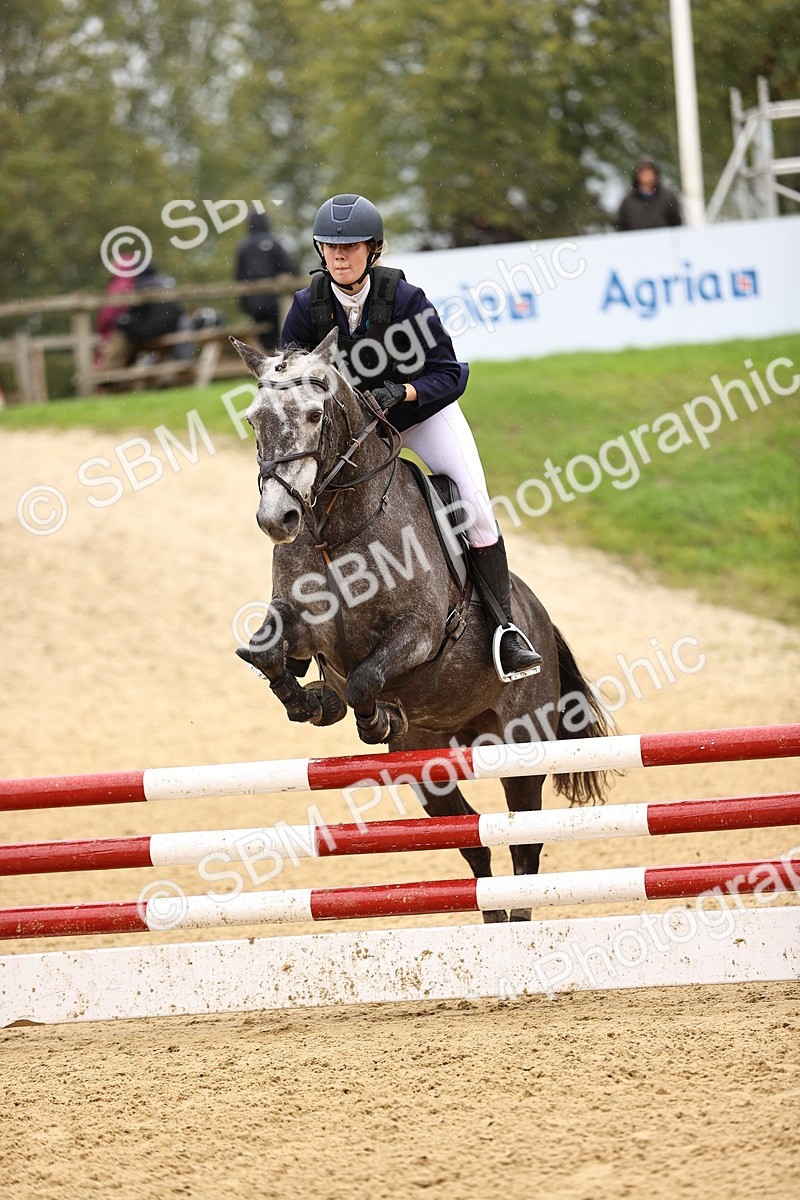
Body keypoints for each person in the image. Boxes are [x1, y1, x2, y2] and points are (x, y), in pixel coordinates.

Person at [280, 192, 543, 682]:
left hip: (420, 416)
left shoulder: (404, 301)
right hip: (349, 437)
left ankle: (505, 631)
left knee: (475, 507)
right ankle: (296, 628)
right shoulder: (306, 308)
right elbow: (289, 386)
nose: (339, 256)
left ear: (373, 250)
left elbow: (451, 374)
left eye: (351, 247)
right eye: (330, 247)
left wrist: (401, 391)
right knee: (294, 499)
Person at [235, 208, 298, 350]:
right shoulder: (273, 242)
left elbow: (239, 275)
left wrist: (244, 301)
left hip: (253, 302)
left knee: (263, 333)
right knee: (276, 333)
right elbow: (289, 266)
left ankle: (269, 359)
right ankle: (277, 358)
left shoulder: (244, 246)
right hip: (273, 300)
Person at [616, 157, 683, 231]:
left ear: (656, 175)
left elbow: (676, 224)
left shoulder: (668, 198)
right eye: (644, 172)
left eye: (650, 172)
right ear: (637, 175)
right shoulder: (628, 202)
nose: (647, 176)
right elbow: (621, 227)